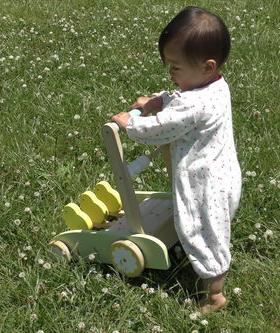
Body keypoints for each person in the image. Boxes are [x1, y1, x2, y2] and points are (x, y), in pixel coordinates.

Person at [111, 6, 241, 313]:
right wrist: (159, 100)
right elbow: (184, 101)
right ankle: (207, 271)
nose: (171, 74)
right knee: (208, 230)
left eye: (176, 68)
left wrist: (132, 124)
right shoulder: (216, 87)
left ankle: (215, 295)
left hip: (203, 185)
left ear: (207, 66)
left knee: (203, 235)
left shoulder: (194, 106)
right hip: (222, 175)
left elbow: (162, 128)